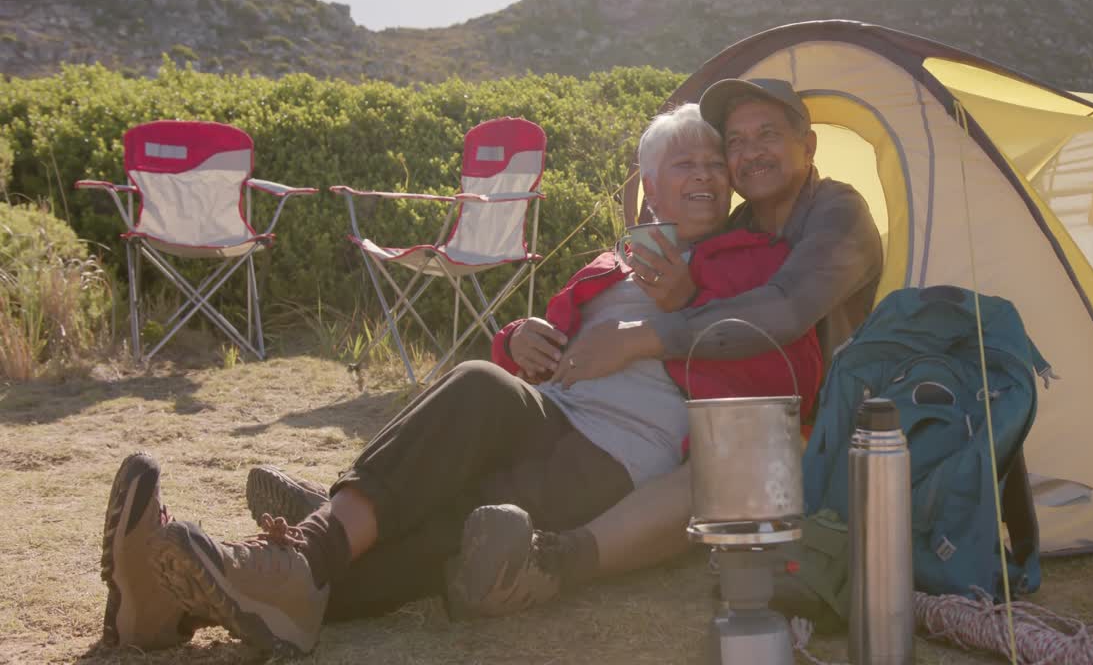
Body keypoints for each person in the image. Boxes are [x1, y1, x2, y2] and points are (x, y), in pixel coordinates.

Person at [96, 103, 824, 656]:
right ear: (649, 190)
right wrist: (520, 338)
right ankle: (178, 603)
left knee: (452, 497)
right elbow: (537, 351)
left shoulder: (751, 264)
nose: (703, 174)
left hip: (613, 462)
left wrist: (680, 315)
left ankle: (268, 567)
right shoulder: (610, 264)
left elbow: (786, 373)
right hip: (541, 413)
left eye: (713, 164)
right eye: (683, 164)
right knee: (469, 432)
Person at [446, 78, 885, 617]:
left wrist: (645, 337)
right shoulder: (741, 224)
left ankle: (558, 561)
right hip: (721, 400)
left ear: (809, 145)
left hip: (816, 424)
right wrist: (520, 338)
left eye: (767, 135)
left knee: (740, 448)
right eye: (737, 142)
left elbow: (786, 310)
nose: (749, 153)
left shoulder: (839, 212)